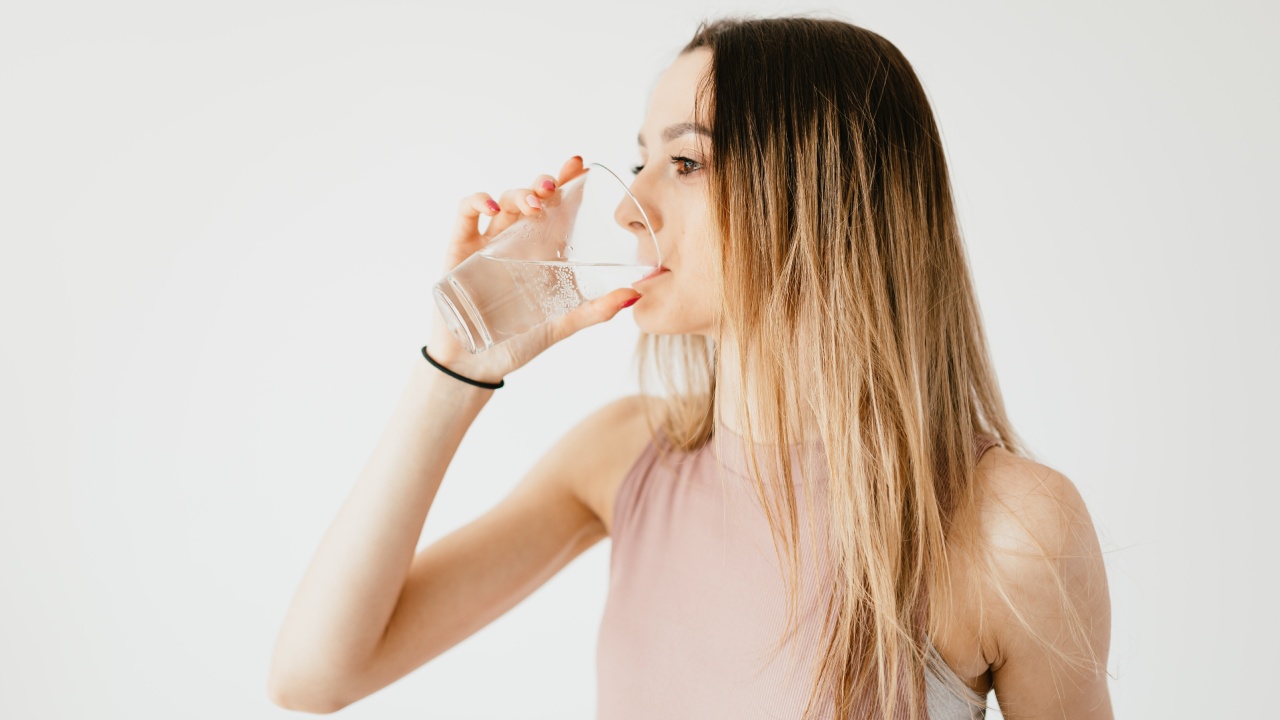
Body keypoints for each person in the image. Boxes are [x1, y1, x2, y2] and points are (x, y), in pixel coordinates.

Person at [268, 15, 1113, 720]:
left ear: (823, 194)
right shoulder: (626, 456)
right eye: (639, 159)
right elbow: (315, 676)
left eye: (685, 162)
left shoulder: (1010, 529)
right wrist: (454, 364)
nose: (629, 206)